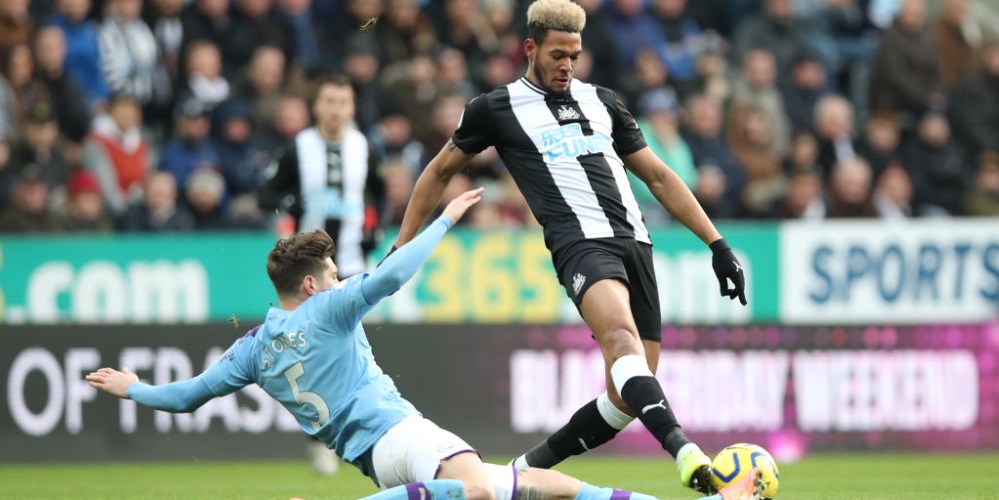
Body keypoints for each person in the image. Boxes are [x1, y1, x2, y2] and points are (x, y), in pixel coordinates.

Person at [85, 188, 763, 500]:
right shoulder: (325, 311)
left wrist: (134, 389)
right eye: (334, 274)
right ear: (313, 284)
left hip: (377, 460)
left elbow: (187, 397)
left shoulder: (252, 350)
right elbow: (391, 276)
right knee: (478, 494)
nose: (341, 280)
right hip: (399, 437)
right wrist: (442, 220)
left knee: (548, 488)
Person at [390, 0, 747, 494]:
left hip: (636, 245)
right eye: (557, 54)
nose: (567, 65)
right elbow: (438, 172)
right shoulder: (495, 108)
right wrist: (402, 246)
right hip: (580, 246)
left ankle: (522, 470)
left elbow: (660, 178)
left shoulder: (603, 101)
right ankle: (685, 452)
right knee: (620, 339)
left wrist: (717, 243)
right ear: (530, 48)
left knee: (625, 396)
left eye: (574, 56)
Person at [258, 74, 385, 279]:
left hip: (353, 264)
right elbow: (265, 195)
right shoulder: (295, 148)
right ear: (316, 106)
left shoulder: (367, 149)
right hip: (306, 267)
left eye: (343, 102)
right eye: (330, 101)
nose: (336, 110)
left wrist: (377, 231)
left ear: (352, 109)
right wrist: (290, 205)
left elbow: (382, 195)